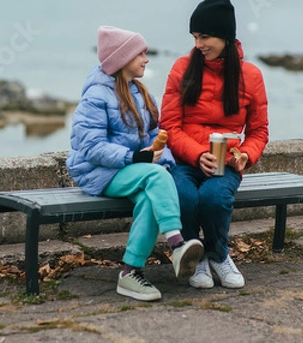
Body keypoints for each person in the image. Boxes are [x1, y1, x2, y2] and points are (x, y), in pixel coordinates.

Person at [66, 26, 204, 301]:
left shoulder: (141, 94)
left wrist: (157, 157)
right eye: (140, 53)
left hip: (132, 170)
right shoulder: (95, 96)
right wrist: (135, 158)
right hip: (98, 173)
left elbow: (156, 139)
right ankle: (176, 244)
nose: (146, 58)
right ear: (121, 59)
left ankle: (130, 273)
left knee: (149, 198)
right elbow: (91, 147)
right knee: (155, 178)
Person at [160, 0, 269, 289]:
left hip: (226, 162)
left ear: (225, 36)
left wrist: (245, 154)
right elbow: (169, 124)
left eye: (205, 36)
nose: (198, 44)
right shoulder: (182, 68)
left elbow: (259, 131)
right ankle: (195, 259)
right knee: (184, 196)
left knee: (213, 198)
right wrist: (196, 155)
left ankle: (219, 254)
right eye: (195, 37)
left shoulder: (251, 76)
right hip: (185, 159)